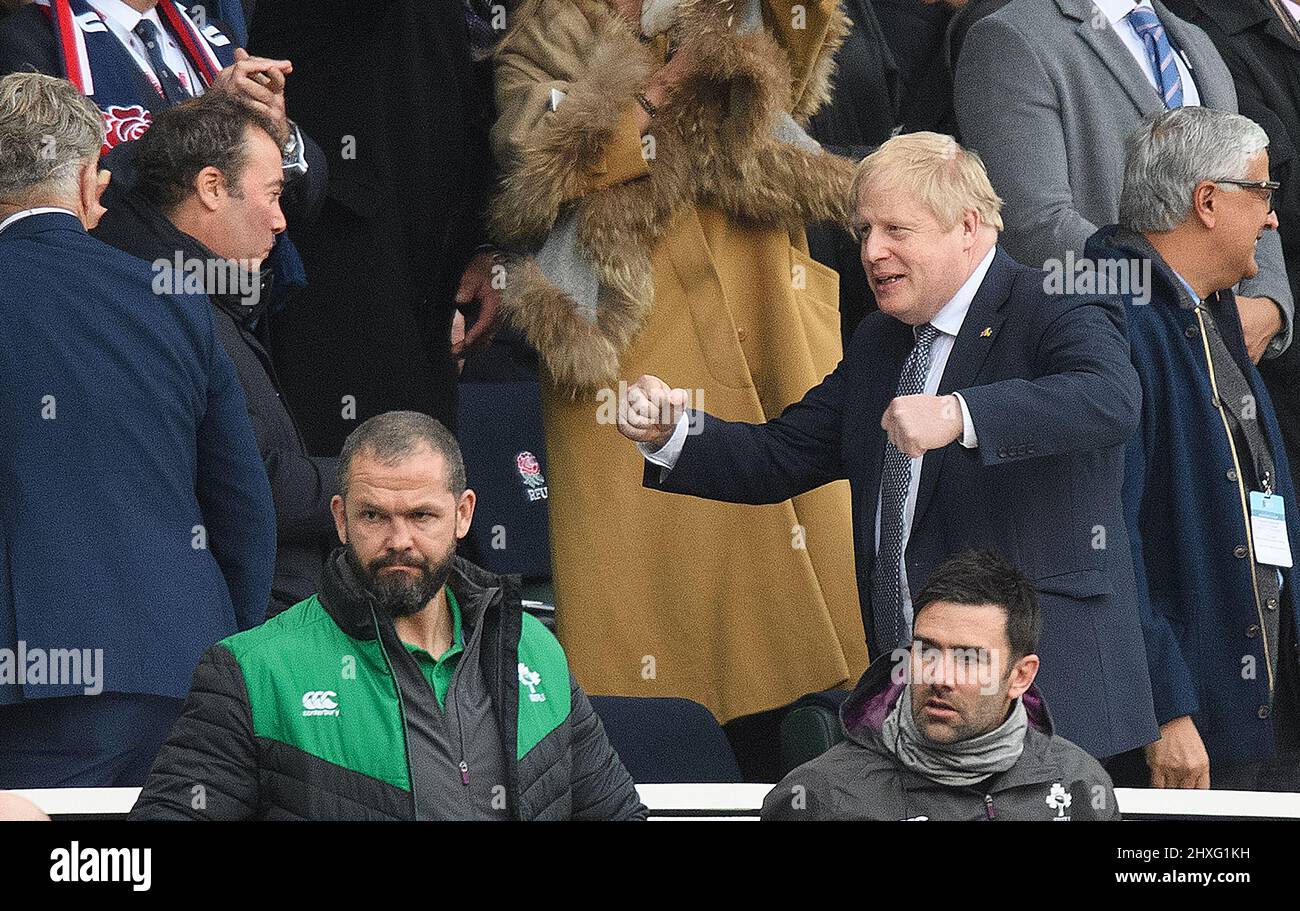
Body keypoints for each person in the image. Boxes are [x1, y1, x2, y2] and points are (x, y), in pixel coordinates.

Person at [617, 131, 1158, 760]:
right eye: (865, 230)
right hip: (914, 707)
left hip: (1052, 699)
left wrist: (960, 415)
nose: (872, 252)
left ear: (967, 227)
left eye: (896, 230)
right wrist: (672, 432)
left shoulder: (1054, 299)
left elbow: (1108, 400)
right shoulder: (880, 340)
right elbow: (781, 455)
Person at [490, 0, 865, 726]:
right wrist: (667, 86)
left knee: (811, 628)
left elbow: (801, 50)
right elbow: (534, 154)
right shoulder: (546, 30)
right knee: (660, 626)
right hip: (621, 334)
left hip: (764, 304)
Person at [131, 412, 648, 820]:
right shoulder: (252, 671)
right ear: (340, 519)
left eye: (422, 515)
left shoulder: (532, 648)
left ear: (463, 514)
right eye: (374, 515)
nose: (399, 541)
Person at [0, 72, 275, 788]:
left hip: (33, 692)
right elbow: (244, 509)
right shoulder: (175, 297)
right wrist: (217, 652)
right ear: (92, 178)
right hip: (184, 672)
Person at [1086, 107, 1300, 790]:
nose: (1272, 219)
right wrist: (1166, 708)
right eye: (1262, 194)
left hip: (1263, 709)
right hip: (1196, 734)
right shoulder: (1112, 319)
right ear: (1207, 201)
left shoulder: (1208, 309)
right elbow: (1111, 536)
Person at [93, 91, 338, 616]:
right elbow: (245, 481)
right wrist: (370, 481)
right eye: (271, 195)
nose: (280, 221)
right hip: (236, 628)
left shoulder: (203, 295)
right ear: (211, 187)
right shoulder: (167, 307)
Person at [955, 0, 1294, 367]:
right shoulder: (1010, 37)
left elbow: (1248, 186)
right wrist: (1178, 304)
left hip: (1220, 367)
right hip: (1105, 361)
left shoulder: (1195, 39)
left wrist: (1269, 303)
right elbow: (1034, 225)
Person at [247, 0, 503, 454]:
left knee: (425, 464)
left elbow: (479, 89)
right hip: (332, 245)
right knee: (355, 468)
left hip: (438, 256)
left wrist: (485, 245)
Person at [0, 0, 325, 302]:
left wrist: (278, 131)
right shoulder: (28, 38)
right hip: (117, 296)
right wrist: (206, 115)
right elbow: (55, 189)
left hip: (234, 303)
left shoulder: (212, 37)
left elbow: (307, 198)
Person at [762, 550, 1121, 820]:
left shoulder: (1078, 785)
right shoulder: (823, 795)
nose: (939, 677)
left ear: (1021, 676)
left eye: (968, 658)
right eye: (927, 651)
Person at [1164, 0, 1300, 549]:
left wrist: (1272, 303)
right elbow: (1260, 191)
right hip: (1237, 342)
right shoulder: (1201, 23)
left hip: (1266, 316)